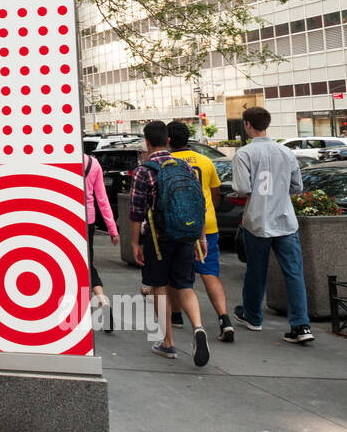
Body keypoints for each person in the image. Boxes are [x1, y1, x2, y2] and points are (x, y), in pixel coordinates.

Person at [129, 121, 210, 367]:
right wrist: (201, 237)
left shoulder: (145, 170)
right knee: (185, 286)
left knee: (159, 288)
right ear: (167, 140)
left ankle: (168, 342)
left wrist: (135, 243)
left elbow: (136, 212)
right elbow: (199, 203)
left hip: (158, 238)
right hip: (186, 235)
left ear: (147, 141)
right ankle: (198, 327)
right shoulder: (184, 165)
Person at [230, 106, 314, 343]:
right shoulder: (286, 152)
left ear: (247, 124)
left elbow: (242, 188)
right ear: (267, 124)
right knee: (294, 273)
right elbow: (297, 187)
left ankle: (253, 316)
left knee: (256, 270)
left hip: (258, 220)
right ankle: (301, 325)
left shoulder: (244, 154)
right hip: (285, 219)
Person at [167, 121, 235, 343]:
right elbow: (215, 193)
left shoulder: (168, 162)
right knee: (210, 272)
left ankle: (177, 315)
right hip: (207, 223)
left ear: (168, 140)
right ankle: (224, 319)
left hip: (178, 224)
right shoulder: (206, 161)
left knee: (176, 273)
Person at [82, 145, 120, 330]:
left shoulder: (65, 163)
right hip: (87, 221)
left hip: (67, 219)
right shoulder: (94, 163)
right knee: (88, 264)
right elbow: (102, 200)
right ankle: (103, 301)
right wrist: (113, 229)